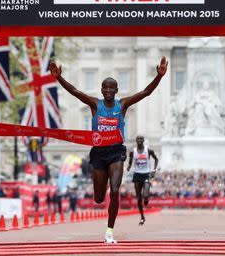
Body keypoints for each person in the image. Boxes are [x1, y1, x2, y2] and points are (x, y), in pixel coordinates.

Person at [49, 56, 168, 243]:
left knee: (114, 191)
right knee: (98, 198)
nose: (108, 90)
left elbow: (145, 92)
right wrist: (59, 78)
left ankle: (109, 231)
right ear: (102, 90)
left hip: (116, 152)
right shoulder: (95, 104)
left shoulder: (123, 105)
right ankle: (102, 184)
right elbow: (74, 91)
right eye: (105, 87)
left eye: (112, 88)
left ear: (117, 90)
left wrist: (159, 77)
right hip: (98, 153)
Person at [127, 135, 158, 226]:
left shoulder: (148, 150)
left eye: (141, 139)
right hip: (137, 175)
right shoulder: (133, 151)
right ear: (136, 140)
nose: (140, 140)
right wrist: (128, 166)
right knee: (139, 198)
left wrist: (154, 170)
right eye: (138, 139)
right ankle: (142, 216)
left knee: (145, 196)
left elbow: (156, 159)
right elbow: (130, 161)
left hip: (146, 174)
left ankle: (147, 198)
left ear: (143, 140)